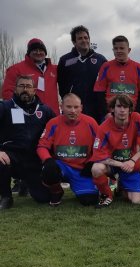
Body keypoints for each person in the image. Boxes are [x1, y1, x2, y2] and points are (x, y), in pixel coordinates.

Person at [0, 75, 55, 209]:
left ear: (34, 90)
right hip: (12, 155)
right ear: (15, 89)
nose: (25, 89)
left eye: (28, 86)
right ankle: (6, 196)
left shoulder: (45, 110)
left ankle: (26, 183)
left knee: (44, 198)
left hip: (34, 159)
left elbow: (57, 130)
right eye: (21, 86)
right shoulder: (4, 107)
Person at [37, 93, 100, 206]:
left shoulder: (91, 123)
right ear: (61, 106)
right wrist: (48, 160)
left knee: (89, 200)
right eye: (69, 107)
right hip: (62, 166)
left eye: (76, 107)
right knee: (49, 170)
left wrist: (92, 161)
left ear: (81, 107)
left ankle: (83, 186)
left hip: (82, 169)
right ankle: (57, 191)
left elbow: (100, 146)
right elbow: (42, 146)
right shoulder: (53, 123)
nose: (73, 110)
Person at [91, 94, 140, 207]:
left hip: (131, 165)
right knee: (96, 168)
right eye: (119, 106)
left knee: (136, 201)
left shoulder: (137, 119)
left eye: (125, 106)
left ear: (130, 109)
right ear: (113, 108)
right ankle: (107, 194)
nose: (122, 110)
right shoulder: (104, 127)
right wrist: (121, 164)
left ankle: (121, 186)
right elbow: (98, 155)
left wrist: (132, 161)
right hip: (113, 165)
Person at [57, 25, 107, 123]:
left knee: (95, 137)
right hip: (74, 109)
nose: (84, 40)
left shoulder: (101, 60)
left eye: (86, 37)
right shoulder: (65, 60)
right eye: (80, 38)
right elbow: (61, 84)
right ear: (74, 42)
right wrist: (69, 102)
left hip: (96, 109)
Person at [93, 35, 140, 118]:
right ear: (113, 50)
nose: (118, 51)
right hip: (111, 115)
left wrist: (136, 113)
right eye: (116, 48)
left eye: (122, 48)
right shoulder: (106, 67)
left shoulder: (138, 67)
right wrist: (106, 113)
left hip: (131, 114)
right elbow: (99, 91)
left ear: (129, 50)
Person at [2, 38, 60, 115]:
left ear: (45, 52)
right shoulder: (16, 69)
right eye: (35, 50)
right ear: (29, 53)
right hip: (27, 115)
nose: (38, 52)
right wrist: (19, 111)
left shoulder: (55, 69)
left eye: (41, 50)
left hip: (52, 114)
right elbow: (7, 93)